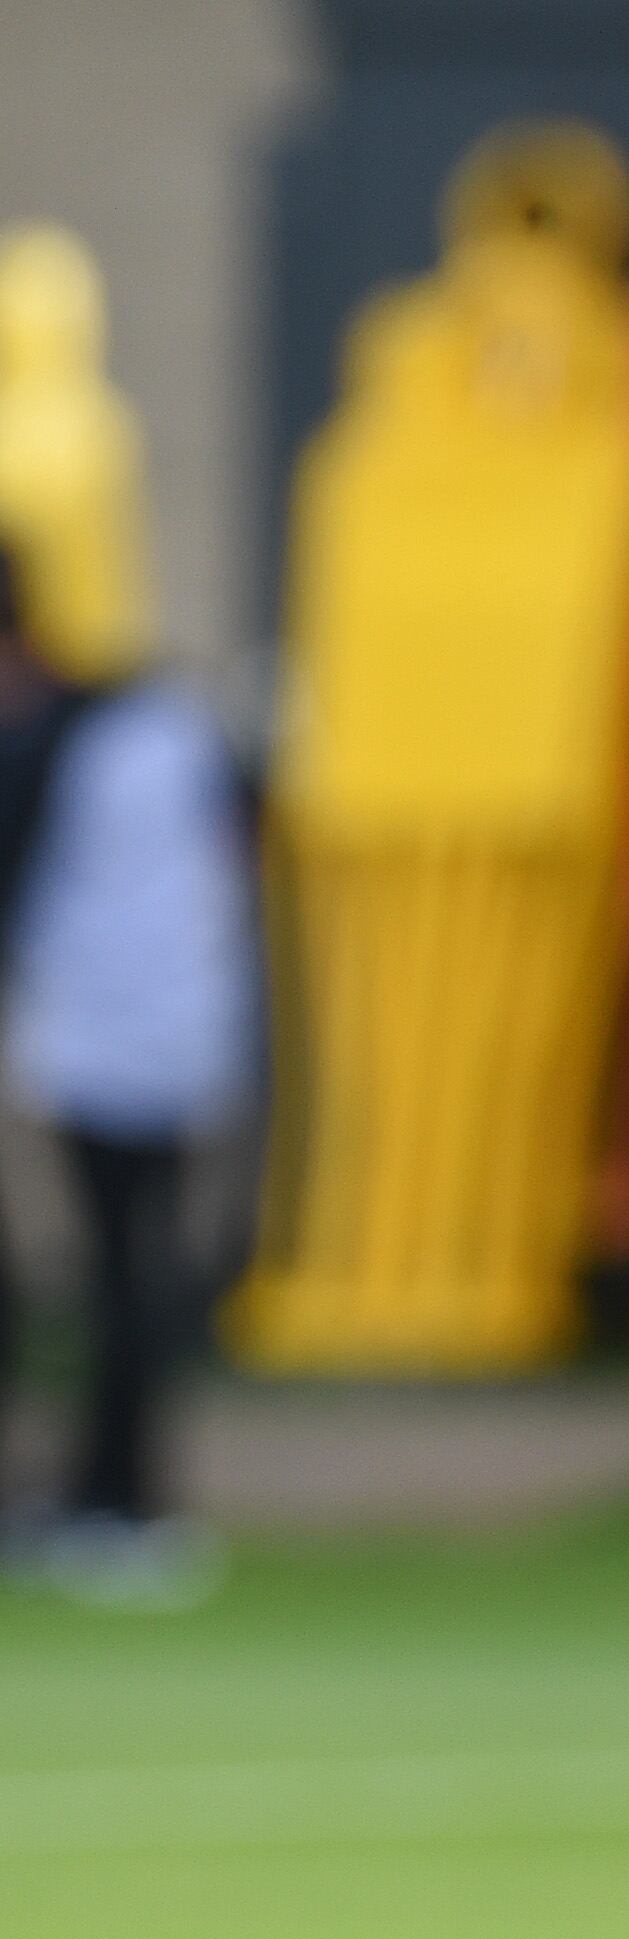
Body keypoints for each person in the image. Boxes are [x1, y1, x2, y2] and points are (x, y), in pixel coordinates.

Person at [0, 542, 254, 1596]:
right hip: (170, 1035)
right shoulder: (158, 720)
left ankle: (118, 1501)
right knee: (125, 1272)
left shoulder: (64, 740)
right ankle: (111, 1498)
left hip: (113, 1040)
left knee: (121, 1277)